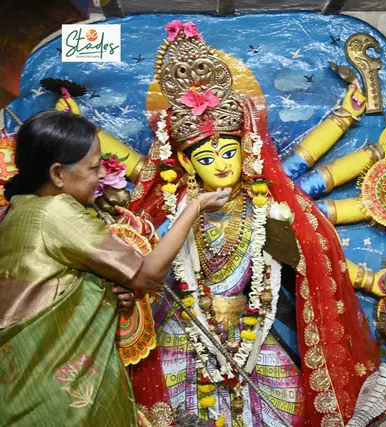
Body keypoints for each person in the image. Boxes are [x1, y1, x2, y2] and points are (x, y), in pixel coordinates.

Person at [0, 110, 229, 426]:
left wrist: (105, 290)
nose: (99, 178)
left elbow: (57, 287)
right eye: (94, 168)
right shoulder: (56, 212)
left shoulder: (19, 210)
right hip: (56, 400)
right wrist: (195, 207)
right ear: (57, 174)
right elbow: (147, 276)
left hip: (20, 390)